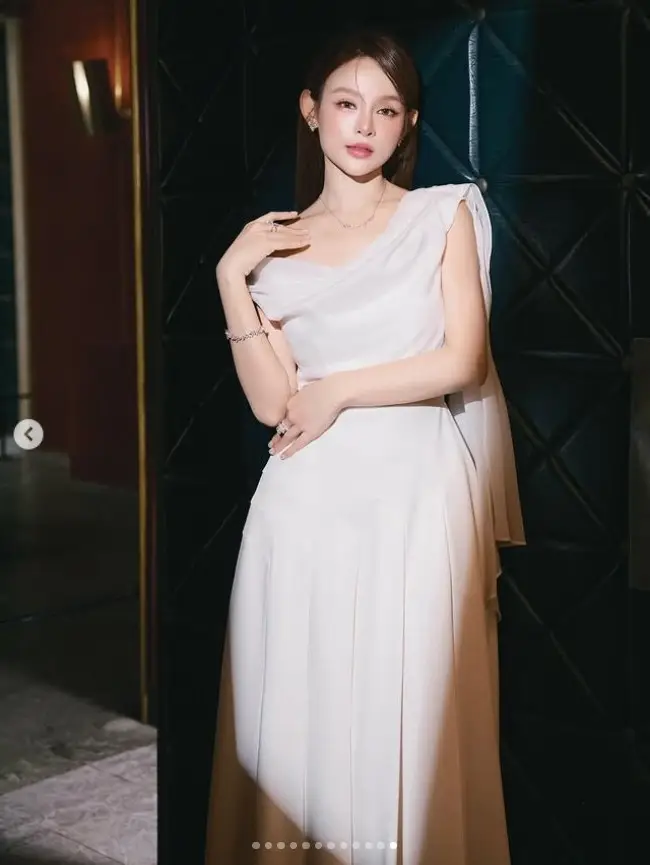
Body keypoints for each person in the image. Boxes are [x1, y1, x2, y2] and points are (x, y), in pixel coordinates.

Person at [204, 28, 525, 865]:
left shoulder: (442, 215)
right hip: (303, 506)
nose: (365, 125)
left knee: (410, 708)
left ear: (408, 123)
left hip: (416, 493)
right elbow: (273, 402)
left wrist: (340, 387)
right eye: (347, 103)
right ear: (311, 111)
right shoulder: (272, 249)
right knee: (302, 716)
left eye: (387, 110)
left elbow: (463, 360)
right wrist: (231, 278)